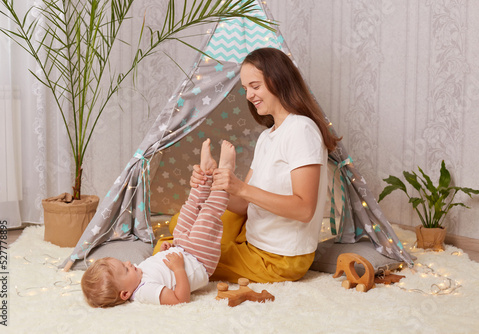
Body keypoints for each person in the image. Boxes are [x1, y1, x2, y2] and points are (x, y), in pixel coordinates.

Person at [189, 47, 341, 283]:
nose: (249, 95)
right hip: (252, 236)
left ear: (278, 81)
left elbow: (304, 210)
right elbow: (241, 205)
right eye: (246, 89)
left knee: (176, 253)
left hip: (278, 257)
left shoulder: (301, 130)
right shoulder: (267, 137)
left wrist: (240, 187)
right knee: (183, 223)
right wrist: (211, 184)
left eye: (255, 86)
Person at [81, 139, 235, 307]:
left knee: (188, 211)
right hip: (200, 260)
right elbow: (180, 299)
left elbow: (158, 271)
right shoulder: (144, 292)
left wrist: (161, 254)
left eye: (123, 263)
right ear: (125, 293)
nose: (128, 263)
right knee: (208, 214)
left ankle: (206, 174)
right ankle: (225, 173)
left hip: (183, 248)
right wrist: (178, 269)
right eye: (125, 269)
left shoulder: (137, 276)